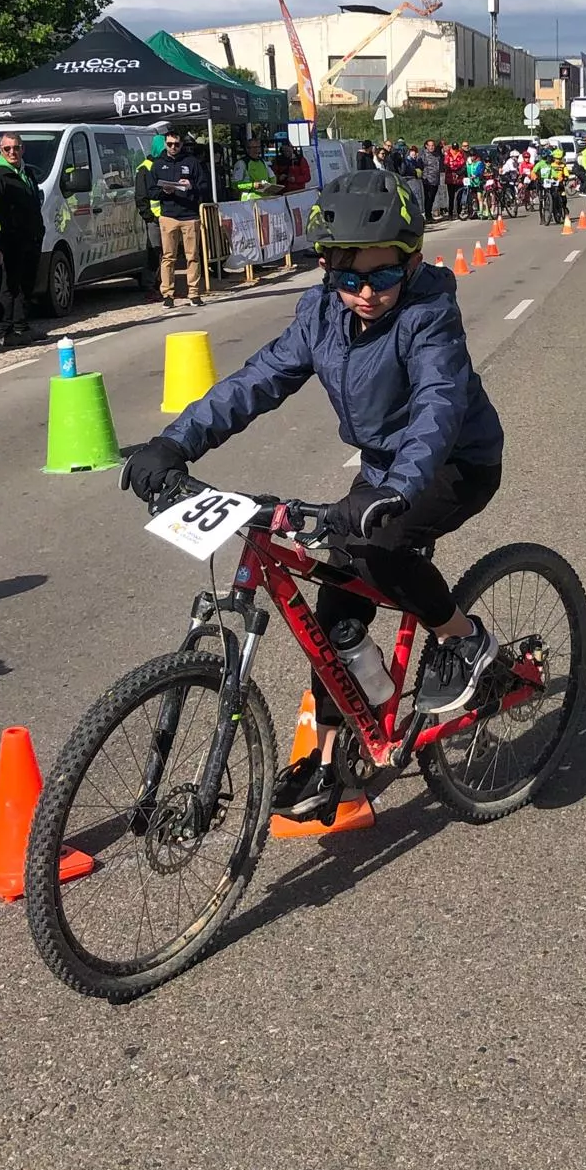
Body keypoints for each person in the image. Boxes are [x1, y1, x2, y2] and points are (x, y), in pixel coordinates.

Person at [120, 171, 505, 824]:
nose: (364, 294)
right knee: (333, 599)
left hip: (451, 464)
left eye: (382, 278)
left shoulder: (428, 315)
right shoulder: (321, 314)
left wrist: (398, 489)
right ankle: (332, 763)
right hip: (386, 466)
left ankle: (464, 639)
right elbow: (255, 382)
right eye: (348, 278)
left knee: (380, 548)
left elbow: (439, 409)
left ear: (411, 263)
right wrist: (174, 443)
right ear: (327, 269)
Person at [146, 130, 208, 309]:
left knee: (193, 256)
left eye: (177, 144)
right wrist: (165, 191)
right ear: (165, 144)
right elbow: (151, 191)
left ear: (182, 144)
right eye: (170, 144)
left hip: (190, 215)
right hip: (168, 216)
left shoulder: (192, 162)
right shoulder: (157, 165)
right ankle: (167, 294)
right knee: (168, 257)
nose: (173, 147)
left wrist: (190, 186)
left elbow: (204, 186)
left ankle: (194, 293)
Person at [0, 133, 44, 339]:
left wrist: (39, 229)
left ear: (23, 149)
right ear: (1, 151)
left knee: (26, 283)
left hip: (30, 236)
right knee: (10, 286)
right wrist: (2, 241)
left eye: (16, 147)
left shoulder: (26, 171)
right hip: (9, 239)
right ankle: (6, 330)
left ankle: (21, 326)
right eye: (7, 149)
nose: (12, 152)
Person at [135, 133, 164, 296]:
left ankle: (163, 284)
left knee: (166, 253)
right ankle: (149, 285)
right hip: (154, 218)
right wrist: (149, 216)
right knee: (154, 251)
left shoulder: (163, 164)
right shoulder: (145, 168)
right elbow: (141, 196)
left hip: (167, 215)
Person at [420, 138, 443, 222]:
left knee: (432, 198)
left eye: (433, 145)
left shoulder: (437, 155)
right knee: (428, 198)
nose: (432, 147)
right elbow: (420, 166)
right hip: (427, 180)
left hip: (436, 180)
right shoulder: (423, 155)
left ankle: (429, 215)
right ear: (426, 146)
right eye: (430, 145)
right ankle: (428, 215)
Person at [443, 142, 466, 218]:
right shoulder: (448, 154)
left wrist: (458, 173)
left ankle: (458, 212)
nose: (455, 150)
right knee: (451, 196)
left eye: (456, 148)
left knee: (459, 195)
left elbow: (464, 165)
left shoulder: (461, 154)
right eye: (454, 149)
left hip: (459, 177)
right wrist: (452, 172)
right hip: (450, 177)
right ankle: (450, 213)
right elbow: (446, 165)